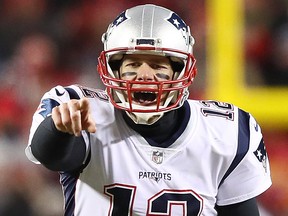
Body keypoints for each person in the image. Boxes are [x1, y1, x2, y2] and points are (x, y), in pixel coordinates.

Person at [25, 4, 272, 216]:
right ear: (112, 69)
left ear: (182, 70)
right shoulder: (82, 109)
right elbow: (50, 155)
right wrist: (59, 129)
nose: (144, 75)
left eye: (157, 64)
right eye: (132, 63)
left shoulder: (227, 132)